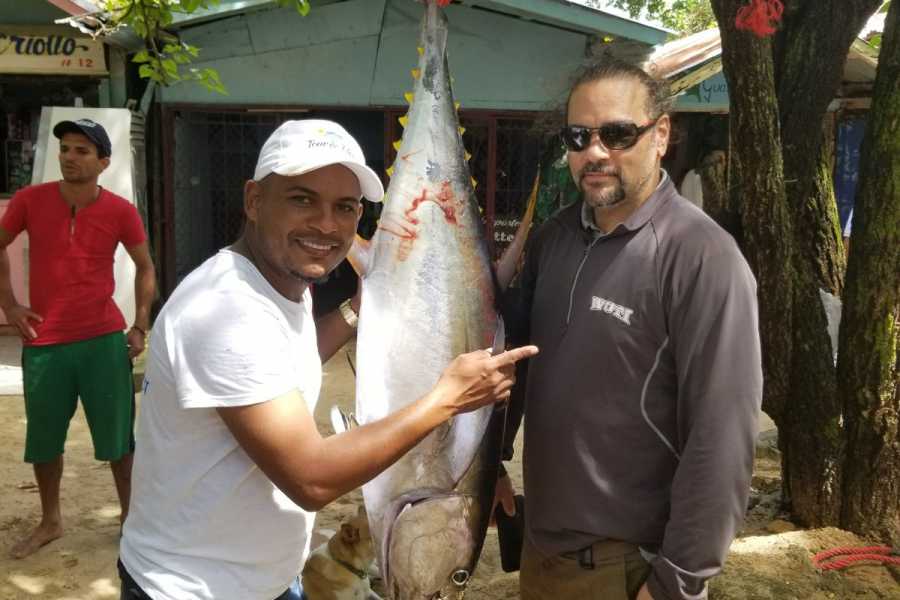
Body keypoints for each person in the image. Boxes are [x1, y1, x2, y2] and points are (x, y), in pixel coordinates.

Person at [118, 119, 537, 600]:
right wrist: (448, 399)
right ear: (254, 200)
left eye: (345, 207)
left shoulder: (277, 284)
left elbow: (282, 365)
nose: (326, 224)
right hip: (191, 589)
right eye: (302, 199)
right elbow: (311, 479)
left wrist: (359, 309)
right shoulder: (225, 310)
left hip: (262, 580)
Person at [495, 59, 763, 600]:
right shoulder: (553, 240)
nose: (594, 152)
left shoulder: (701, 257)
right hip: (541, 551)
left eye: (617, 134)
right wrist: (490, 461)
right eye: (578, 136)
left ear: (660, 134)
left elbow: (722, 436)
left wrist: (678, 581)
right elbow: (512, 364)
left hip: (626, 567)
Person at [0, 118, 157, 559]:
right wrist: (10, 306)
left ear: (103, 162)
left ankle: (131, 521)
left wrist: (140, 325)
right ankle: (50, 521)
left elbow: (145, 267)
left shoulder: (120, 211)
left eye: (82, 151)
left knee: (118, 440)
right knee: (44, 440)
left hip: (103, 340)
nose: (69, 157)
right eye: (65, 149)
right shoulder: (30, 201)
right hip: (44, 341)